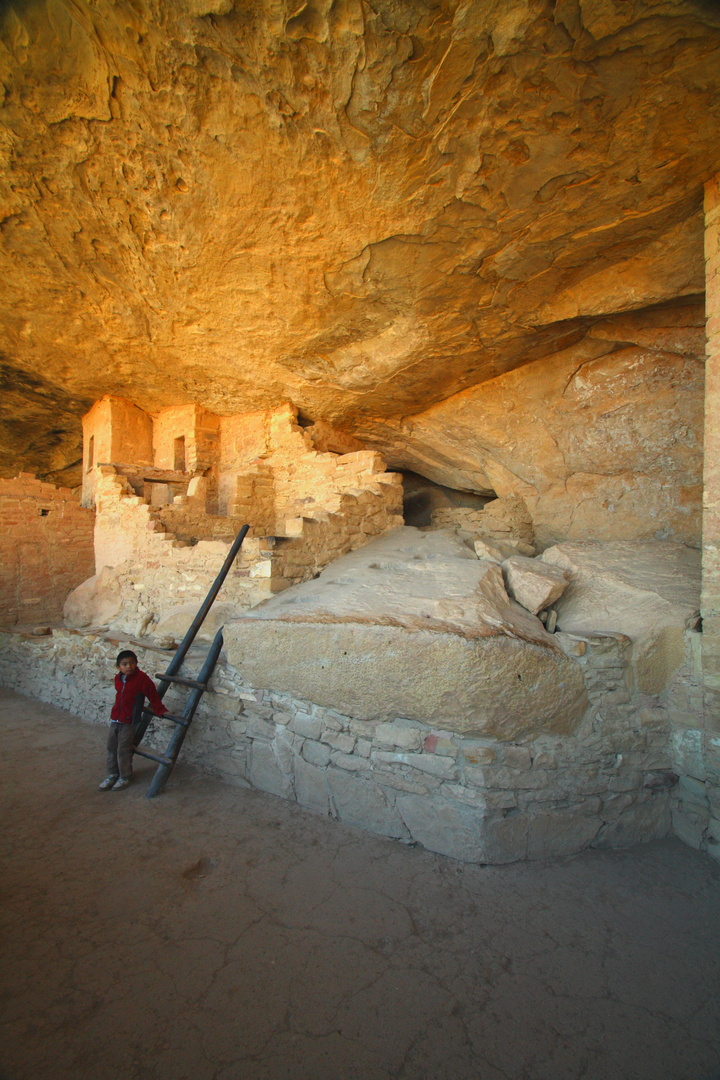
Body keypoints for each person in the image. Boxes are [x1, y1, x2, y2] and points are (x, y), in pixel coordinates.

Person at [98, 650, 168, 791]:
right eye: (124, 664)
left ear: (136, 664)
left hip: (130, 720)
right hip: (116, 717)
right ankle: (113, 774)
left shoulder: (142, 679)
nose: (129, 667)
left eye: (132, 663)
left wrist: (160, 710)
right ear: (118, 667)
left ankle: (125, 776)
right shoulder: (118, 679)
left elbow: (152, 695)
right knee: (111, 746)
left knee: (123, 748)